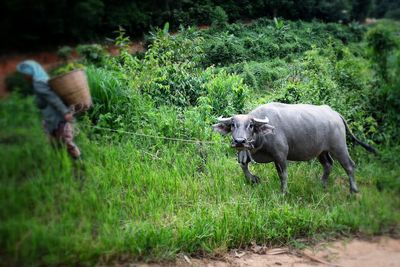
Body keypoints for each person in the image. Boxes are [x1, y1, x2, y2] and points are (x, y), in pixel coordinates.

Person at [16, 60, 81, 159]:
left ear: (30, 73)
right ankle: (62, 161)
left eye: (25, 74)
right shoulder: (44, 79)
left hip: (56, 118)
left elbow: (53, 98)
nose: (24, 77)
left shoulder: (39, 83)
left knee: (66, 141)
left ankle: (79, 162)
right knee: (55, 141)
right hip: (51, 119)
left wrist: (65, 112)